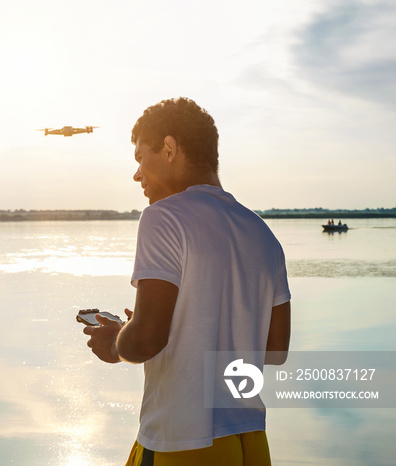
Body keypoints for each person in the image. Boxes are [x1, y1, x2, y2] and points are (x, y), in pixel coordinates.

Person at [83, 97, 291, 465]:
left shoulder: (163, 218)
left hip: (182, 443)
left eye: (140, 157)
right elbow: (275, 349)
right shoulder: (263, 234)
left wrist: (118, 341)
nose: (137, 174)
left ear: (169, 149)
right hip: (250, 442)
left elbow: (145, 340)